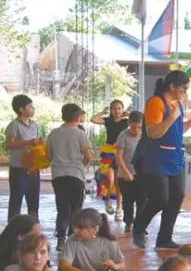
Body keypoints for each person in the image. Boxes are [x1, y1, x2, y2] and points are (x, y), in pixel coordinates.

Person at [132, 70, 191, 251]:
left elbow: (177, 130)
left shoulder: (177, 104)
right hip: (156, 158)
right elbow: (153, 132)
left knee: (177, 196)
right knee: (160, 199)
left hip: (175, 158)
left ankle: (164, 238)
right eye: (183, 87)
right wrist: (171, 116)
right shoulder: (156, 103)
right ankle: (138, 227)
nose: (185, 91)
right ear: (172, 86)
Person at [57, 208, 137, 271]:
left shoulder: (109, 242)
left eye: (80, 228)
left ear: (95, 229)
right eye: (74, 227)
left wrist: (115, 266)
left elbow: (122, 267)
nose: (75, 231)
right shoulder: (72, 240)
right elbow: (63, 266)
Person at [47, 103, 92, 251]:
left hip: (58, 176)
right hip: (76, 176)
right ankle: (73, 239)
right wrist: (81, 165)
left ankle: (61, 240)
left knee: (62, 208)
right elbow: (87, 156)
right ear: (77, 116)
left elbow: (48, 156)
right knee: (76, 210)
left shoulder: (53, 133)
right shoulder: (80, 134)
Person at [92, 100, 130, 220]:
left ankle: (119, 208)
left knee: (119, 182)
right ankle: (107, 198)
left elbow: (141, 120)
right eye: (114, 108)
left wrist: (128, 114)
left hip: (121, 150)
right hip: (109, 151)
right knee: (109, 178)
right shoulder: (108, 121)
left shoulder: (126, 121)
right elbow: (93, 119)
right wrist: (102, 112)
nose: (116, 111)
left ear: (122, 109)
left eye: (119, 108)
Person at [6, 94, 41, 221]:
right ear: (22, 109)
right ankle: (12, 229)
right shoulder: (14, 125)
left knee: (34, 201)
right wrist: (28, 142)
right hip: (18, 168)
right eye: (30, 106)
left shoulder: (35, 125)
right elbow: (9, 144)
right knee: (16, 200)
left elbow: (36, 143)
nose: (33, 109)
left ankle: (33, 227)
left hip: (33, 168)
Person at [115, 111, 144, 234]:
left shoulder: (146, 135)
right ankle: (128, 222)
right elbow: (119, 156)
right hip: (125, 174)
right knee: (128, 199)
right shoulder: (123, 136)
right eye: (133, 127)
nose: (136, 130)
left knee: (142, 200)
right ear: (128, 124)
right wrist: (126, 172)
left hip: (142, 173)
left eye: (139, 127)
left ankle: (141, 224)